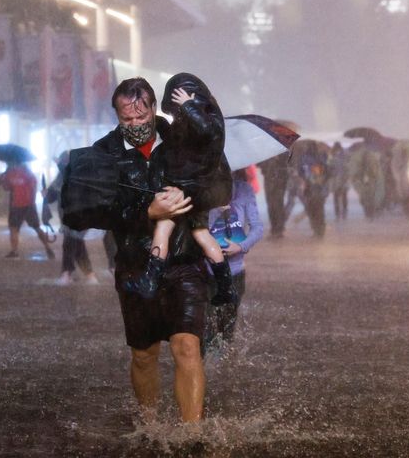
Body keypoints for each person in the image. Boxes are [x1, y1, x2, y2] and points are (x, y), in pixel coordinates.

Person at [63, 77, 233, 423]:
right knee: (144, 354)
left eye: (141, 118)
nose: (136, 125)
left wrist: (185, 199)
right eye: (127, 120)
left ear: (153, 108)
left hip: (185, 261)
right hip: (135, 265)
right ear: (116, 114)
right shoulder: (102, 155)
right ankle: (150, 425)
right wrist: (146, 212)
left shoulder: (184, 137)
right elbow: (80, 213)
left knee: (187, 346)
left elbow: (218, 187)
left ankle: (191, 432)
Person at [124, 73, 236, 307]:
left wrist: (188, 105)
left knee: (164, 226)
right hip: (199, 189)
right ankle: (226, 287)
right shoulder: (203, 125)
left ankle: (150, 281)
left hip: (187, 188)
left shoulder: (208, 122)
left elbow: (205, 130)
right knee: (202, 234)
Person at [206, 169, 264, 351]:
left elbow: (257, 227)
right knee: (207, 325)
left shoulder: (244, 189)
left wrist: (241, 247)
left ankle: (223, 367)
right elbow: (196, 229)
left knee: (227, 328)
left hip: (236, 271)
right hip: (207, 271)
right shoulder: (202, 191)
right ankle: (204, 370)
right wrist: (216, 211)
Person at [44, 150, 99, 286]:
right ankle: (90, 275)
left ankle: (66, 273)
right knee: (78, 246)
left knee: (69, 244)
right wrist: (46, 194)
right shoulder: (59, 179)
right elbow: (51, 197)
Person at [0, 161, 55, 260]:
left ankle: (15, 251)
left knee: (14, 229)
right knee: (37, 227)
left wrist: (3, 180)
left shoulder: (10, 174)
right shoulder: (29, 174)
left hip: (16, 205)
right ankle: (48, 247)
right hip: (29, 205)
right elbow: (34, 188)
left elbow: (6, 188)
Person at [329, 142, 350, 221]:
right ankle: (342, 212)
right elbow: (347, 168)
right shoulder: (343, 156)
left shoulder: (333, 156)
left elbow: (330, 168)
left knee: (337, 197)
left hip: (338, 179)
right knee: (342, 196)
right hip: (340, 179)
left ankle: (339, 213)